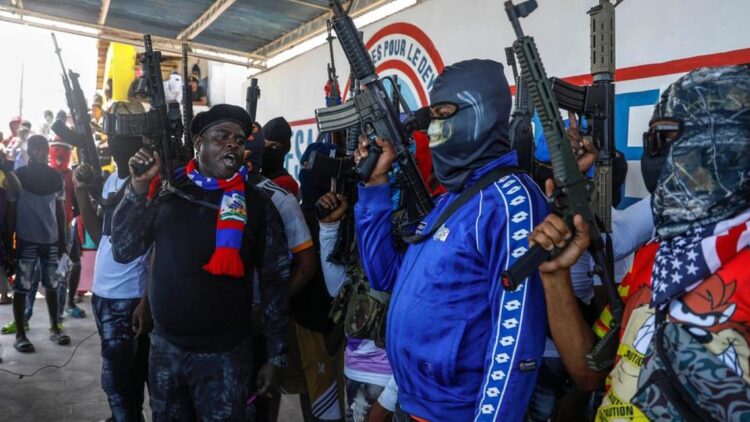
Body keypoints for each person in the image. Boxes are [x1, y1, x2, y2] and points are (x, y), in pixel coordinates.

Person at [533, 65, 750, 420]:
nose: (654, 155)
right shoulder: (661, 257)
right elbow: (591, 372)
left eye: (665, 139)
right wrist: (555, 276)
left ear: (726, 146)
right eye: (651, 141)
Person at [354, 59, 549, 421]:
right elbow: (383, 279)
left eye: (444, 114)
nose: (435, 129)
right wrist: (374, 188)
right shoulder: (450, 202)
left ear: (483, 112)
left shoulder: (511, 201)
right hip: (412, 406)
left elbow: (517, 336)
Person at [111, 104, 290, 420]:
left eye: (238, 139)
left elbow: (276, 281)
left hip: (226, 357)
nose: (233, 144)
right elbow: (124, 249)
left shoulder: (257, 205)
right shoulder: (166, 192)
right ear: (198, 142)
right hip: (165, 352)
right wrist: (138, 188)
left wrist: (276, 356)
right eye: (222, 136)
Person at [246, 125, 342, 422]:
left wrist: (273, 306)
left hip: (314, 322)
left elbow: (319, 271)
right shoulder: (304, 207)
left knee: (318, 398)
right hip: (295, 319)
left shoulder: (285, 198)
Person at [74, 123, 151, 420]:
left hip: (130, 296)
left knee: (117, 380)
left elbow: (156, 248)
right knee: (123, 375)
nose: (116, 142)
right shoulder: (111, 182)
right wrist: (81, 191)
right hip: (105, 293)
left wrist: (146, 300)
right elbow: (99, 232)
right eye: (114, 135)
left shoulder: (147, 184)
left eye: (124, 137)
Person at [317, 192, 395, 422]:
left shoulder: (402, 236)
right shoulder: (366, 234)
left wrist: (390, 397)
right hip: (356, 372)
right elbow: (338, 288)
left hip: (388, 381)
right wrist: (328, 228)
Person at [6, 135, 69, 353]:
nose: (42, 153)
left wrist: (63, 241)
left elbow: (59, 211)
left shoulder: (55, 178)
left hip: (51, 241)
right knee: (22, 287)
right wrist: (9, 244)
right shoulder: (18, 176)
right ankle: (20, 334)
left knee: (51, 285)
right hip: (27, 240)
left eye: (44, 149)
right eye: (37, 149)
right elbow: (11, 211)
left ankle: (54, 328)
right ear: (30, 152)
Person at [262, 117, 299, 197]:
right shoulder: (253, 175)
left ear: (285, 149)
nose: (266, 149)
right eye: (264, 144)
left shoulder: (286, 183)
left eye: (275, 146)